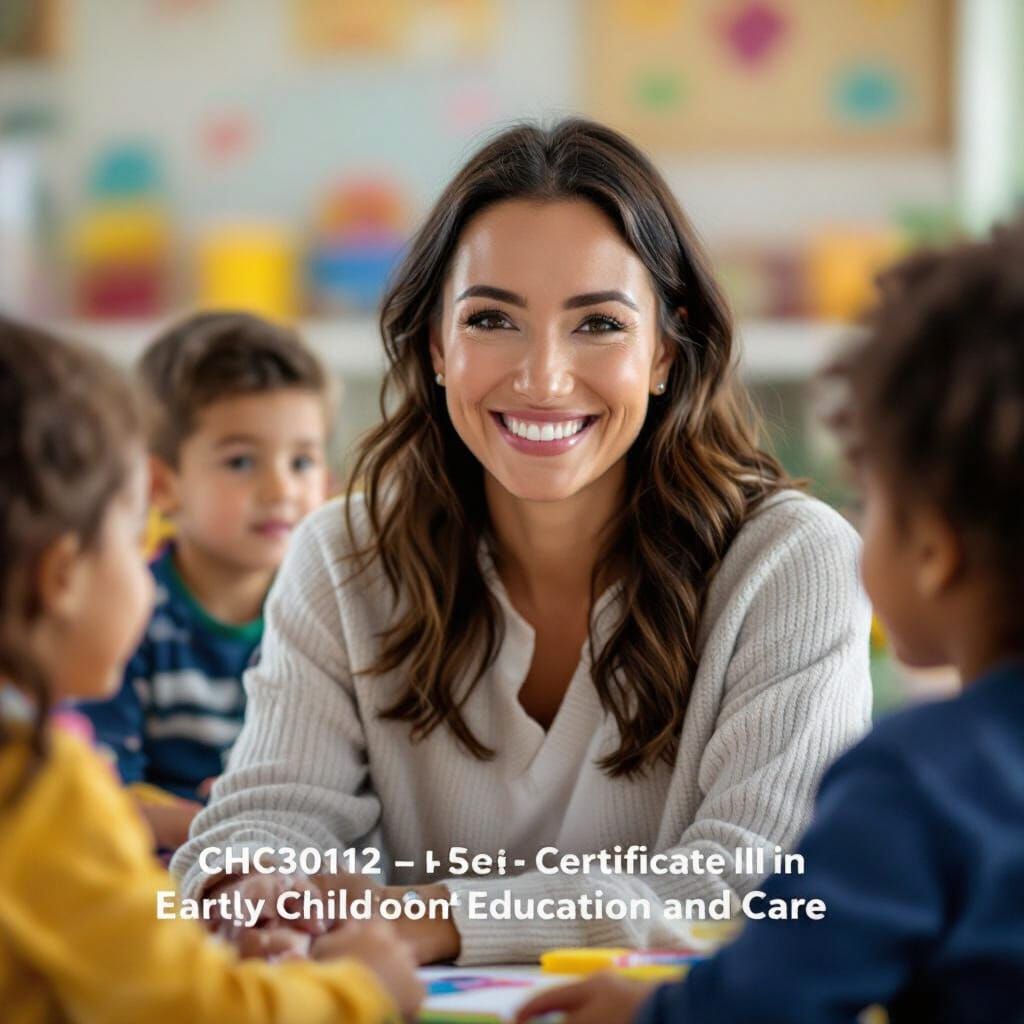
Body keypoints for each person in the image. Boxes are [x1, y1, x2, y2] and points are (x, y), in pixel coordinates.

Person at [173, 118, 872, 966]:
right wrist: (254, 885)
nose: (542, 379)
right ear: (435, 343)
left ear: (665, 349)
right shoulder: (341, 554)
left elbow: (759, 886)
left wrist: (438, 916)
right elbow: (259, 819)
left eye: (600, 325)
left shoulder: (791, 565)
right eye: (492, 320)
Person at [516, 224, 1024, 1024]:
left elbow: (769, 996)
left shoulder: (920, 781)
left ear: (933, 550)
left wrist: (648, 1013)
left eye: (871, 498)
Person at [0, 316, 423, 1022]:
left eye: (302, 460)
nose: (280, 488)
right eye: (135, 536)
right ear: (61, 577)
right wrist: (360, 990)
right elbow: (191, 1009)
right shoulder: (39, 790)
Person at [79, 311, 330, 850]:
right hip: (170, 868)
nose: (280, 489)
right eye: (241, 462)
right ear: (162, 485)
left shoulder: (331, 616)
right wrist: (231, 825)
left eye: (302, 461)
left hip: (288, 861)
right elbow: (97, 804)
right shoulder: (126, 618)